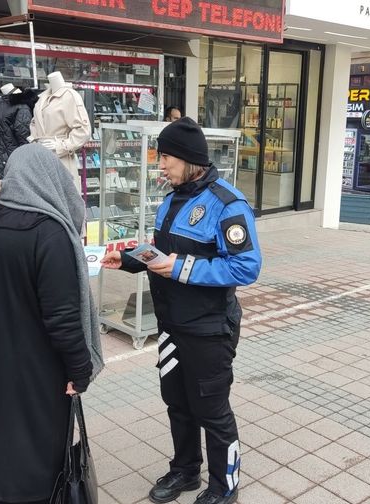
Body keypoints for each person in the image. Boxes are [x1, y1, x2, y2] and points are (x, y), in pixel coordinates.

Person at [101, 117, 262, 504]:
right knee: (178, 403)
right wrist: (129, 260)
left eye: (166, 158)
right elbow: (163, 254)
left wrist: (180, 268)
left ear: (189, 159)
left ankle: (225, 487)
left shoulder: (228, 204)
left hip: (209, 328)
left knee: (212, 409)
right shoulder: (173, 198)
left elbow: (247, 267)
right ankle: (186, 471)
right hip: (171, 325)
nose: (161, 165)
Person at [0, 144, 104, 504]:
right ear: (51, 179)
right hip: (34, 366)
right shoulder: (49, 234)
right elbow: (62, 319)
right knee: (35, 453)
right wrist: (80, 369)